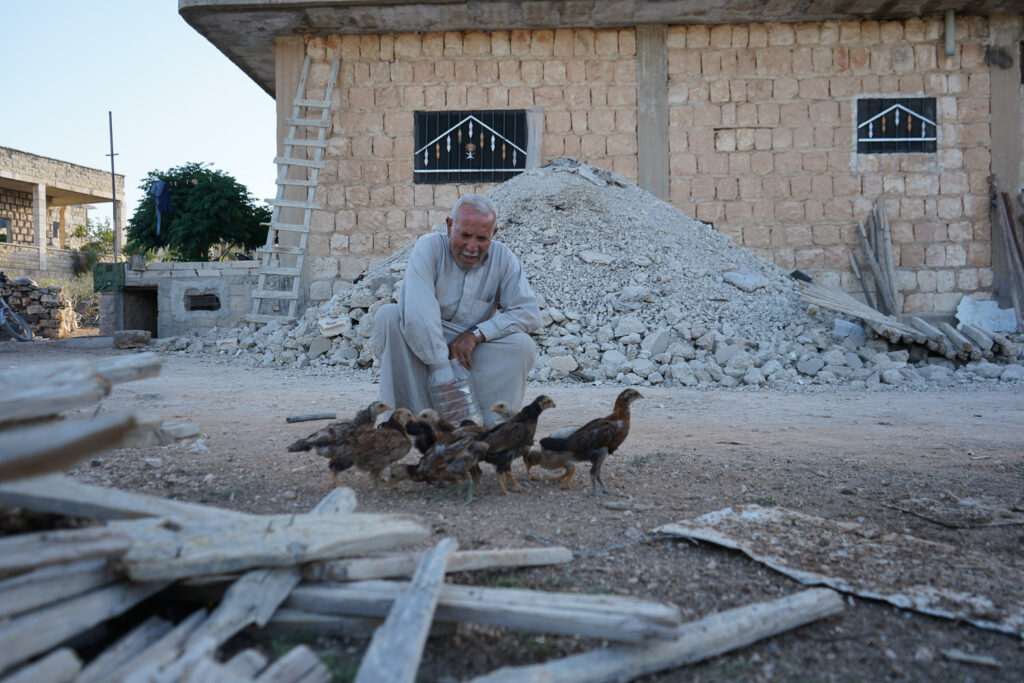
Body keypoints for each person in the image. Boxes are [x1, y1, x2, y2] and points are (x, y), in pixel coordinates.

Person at [371, 194, 541, 426]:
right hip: (426, 340)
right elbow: (419, 313)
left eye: (482, 238)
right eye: (465, 235)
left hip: (468, 352)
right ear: (450, 226)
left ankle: (490, 426)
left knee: (522, 345)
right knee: (388, 317)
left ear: (494, 234)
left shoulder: (504, 258)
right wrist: (442, 368)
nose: (472, 247)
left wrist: (476, 334)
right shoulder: (429, 248)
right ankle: (402, 422)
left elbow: (528, 313)